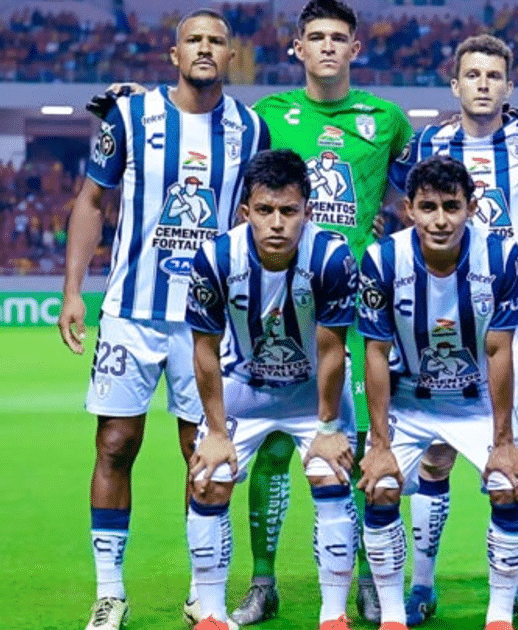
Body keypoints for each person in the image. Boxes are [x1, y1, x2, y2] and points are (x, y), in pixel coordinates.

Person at [58, 10, 269, 630]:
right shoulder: (129, 116)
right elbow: (91, 201)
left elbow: (261, 217)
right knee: (115, 443)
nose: (204, 48)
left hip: (209, 320)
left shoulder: (251, 130)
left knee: (202, 453)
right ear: (174, 55)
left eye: (216, 41)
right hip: (132, 311)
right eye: (193, 40)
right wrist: (73, 291)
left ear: (231, 56)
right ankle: (110, 593)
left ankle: (204, 595)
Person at [386, 33, 518, 627]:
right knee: (437, 456)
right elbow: (399, 190)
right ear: (455, 85)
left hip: (514, 318)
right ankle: (421, 585)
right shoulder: (428, 143)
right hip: (439, 315)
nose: (482, 84)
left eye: (493, 76)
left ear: (509, 86)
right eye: (472, 75)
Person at [233, 0, 413, 623]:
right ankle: (263, 582)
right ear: (298, 48)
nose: (328, 46)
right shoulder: (268, 116)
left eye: (339, 37)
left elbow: (424, 185)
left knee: (360, 447)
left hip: (357, 309)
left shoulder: (386, 120)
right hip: (279, 309)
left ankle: (368, 576)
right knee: (274, 447)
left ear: (355, 48)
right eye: (317, 37)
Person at [185, 149, 358, 630]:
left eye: (289, 211)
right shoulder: (216, 257)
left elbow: (332, 351)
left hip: (313, 392)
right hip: (244, 388)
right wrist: (215, 432)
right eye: (265, 210)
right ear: (246, 212)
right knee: (208, 479)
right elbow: (204, 350)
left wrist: (328, 428)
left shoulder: (331, 257)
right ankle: (212, 613)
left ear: (308, 211)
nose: (277, 223)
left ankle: (333, 615)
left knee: (330, 476)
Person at [356, 154, 518, 630]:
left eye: (452, 207)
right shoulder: (382, 259)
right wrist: (379, 445)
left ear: (471, 208)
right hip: (410, 400)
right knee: (382, 488)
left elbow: (499, 350)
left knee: (507, 486)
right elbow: (375, 354)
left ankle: (499, 616)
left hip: (477, 402)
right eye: (428, 207)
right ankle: (394, 617)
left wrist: (504, 441)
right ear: (408, 209)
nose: (440, 220)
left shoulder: (500, 257)